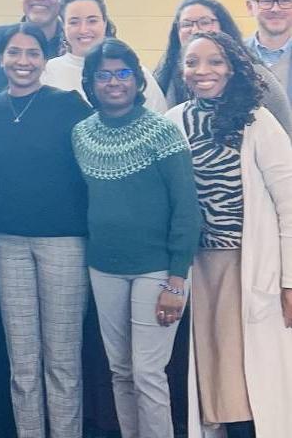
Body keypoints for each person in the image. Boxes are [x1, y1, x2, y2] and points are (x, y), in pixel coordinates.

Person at [71, 38, 200, 438]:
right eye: (103, 75)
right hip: (104, 267)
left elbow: (186, 208)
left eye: (123, 73)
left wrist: (176, 281)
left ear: (137, 78)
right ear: (90, 83)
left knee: (147, 372)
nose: (114, 82)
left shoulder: (162, 132)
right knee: (120, 371)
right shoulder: (80, 134)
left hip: (158, 270)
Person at [166, 31, 292, 438]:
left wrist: (290, 281)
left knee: (244, 377)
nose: (202, 71)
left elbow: (289, 204)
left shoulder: (257, 121)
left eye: (215, 61)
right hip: (195, 268)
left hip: (247, 266)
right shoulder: (172, 122)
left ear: (234, 67)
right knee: (213, 377)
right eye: (192, 62)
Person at [0, 23, 91, 438]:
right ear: (1, 59)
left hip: (64, 244)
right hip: (8, 243)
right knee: (23, 364)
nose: (23, 61)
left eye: (32, 53)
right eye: (14, 52)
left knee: (62, 362)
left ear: (45, 60)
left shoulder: (68, 105)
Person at [155, 0, 292, 135]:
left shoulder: (256, 77)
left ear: (223, 26)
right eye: (187, 24)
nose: (195, 30)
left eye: (205, 22)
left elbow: (284, 134)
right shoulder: (166, 77)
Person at [42, 0, 169, 113]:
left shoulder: (132, 71)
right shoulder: (48, 72)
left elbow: (160, 118)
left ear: (104, 23)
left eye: (92, 21)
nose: (84, 30)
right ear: (63, 26)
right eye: (74, 22)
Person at [245, 0, 292, 97]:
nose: (276, 9)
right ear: (250, 7)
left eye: (285, 1)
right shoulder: (236, 54)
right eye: (266, 1)